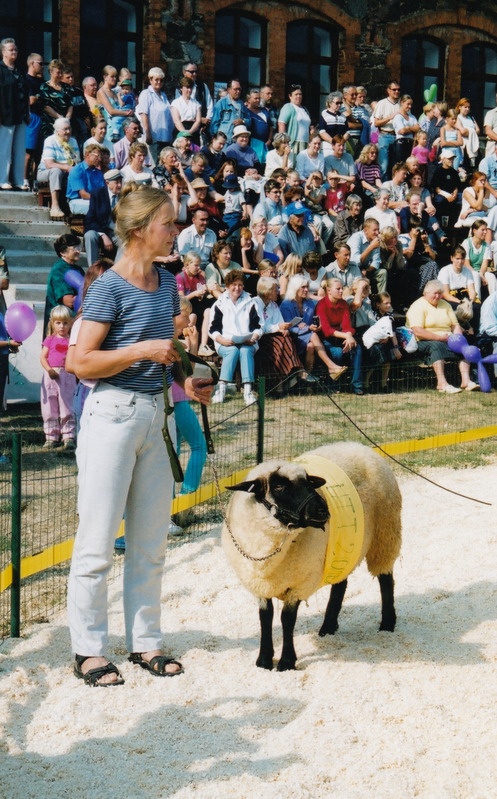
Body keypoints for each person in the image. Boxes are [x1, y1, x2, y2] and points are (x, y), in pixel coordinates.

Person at [67, 183, 212, 686]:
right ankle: (87, 650)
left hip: (156, 416)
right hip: (110, 416)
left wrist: (188, 382)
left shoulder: (168, 281)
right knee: (97, 542)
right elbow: (78, 361)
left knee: (150, 542)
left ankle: (145, 642)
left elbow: (165, 355)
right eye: (168, 223)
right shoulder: (107, 287)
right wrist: (142, 351)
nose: (176, 229)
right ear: (137, 230)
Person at [406, 279, 476, 393]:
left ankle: (466, 381)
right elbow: (418, 331)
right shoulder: (418, 306)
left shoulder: (446, 305)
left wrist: (459, 339)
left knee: (464, 345)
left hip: (447, 338)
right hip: (423, 340)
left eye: (440, 293)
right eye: (435, 293)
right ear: (426, 293)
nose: (438, 296)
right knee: (436, 347)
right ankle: (442, 383)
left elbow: (455, 325)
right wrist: (439, 338)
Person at [209, 269, 262, 405]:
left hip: (248, 342)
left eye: (240, 285)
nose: (237, 288)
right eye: (234, 285)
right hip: (225, 342)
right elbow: (213, 329)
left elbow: (259, 325)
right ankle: (221, 390)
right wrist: (221, 340)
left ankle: (248, 391)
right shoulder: (219, 303)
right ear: (227, 286)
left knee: (244, 351)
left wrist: (254, 337)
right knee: (233, 351)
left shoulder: (251, 302)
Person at [280, 274, 346, 381]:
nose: (306, 290)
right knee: (313, 335)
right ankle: (331, 366)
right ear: (295, 288)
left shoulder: (309, 303)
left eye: (307, 287)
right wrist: (307, 328)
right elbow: (288, 328)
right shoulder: (286, 305)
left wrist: (318, 325)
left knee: (311, 346)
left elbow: (319, 312)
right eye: (303, 287)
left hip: (309, 338)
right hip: (293, 339)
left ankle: (307, 377)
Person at [254, 275, 305, 387]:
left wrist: (284, 329)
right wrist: (279, 327)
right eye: (275, 289)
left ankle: (283, 380)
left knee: (285, 338)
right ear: (266, 291)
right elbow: (261, 327)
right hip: (259, 337)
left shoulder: (274, 305)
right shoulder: (255, 304)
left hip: (273, 335)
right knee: (279, 343)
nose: (278, 291)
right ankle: (296, 372)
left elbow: (279, 322)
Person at [316, 277, 364, 394]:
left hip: (342, 336)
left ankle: (356, 385)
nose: (341, 291)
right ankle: (333, 385)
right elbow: (326, 330)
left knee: (356, 349)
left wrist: (349, 336)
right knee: (337, 353)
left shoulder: (343, 304)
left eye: (342, 288)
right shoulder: (321, 305)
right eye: (338, 289)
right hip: (327, 339)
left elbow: (347, 325)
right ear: (329, 291)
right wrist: (347, 336)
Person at [40, 305, 77, 450]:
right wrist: (49, 370)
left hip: (67, 375)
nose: (62, 326)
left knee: (67, 406)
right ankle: (51, 437)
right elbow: (43, 357)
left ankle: (68, 436)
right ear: (52, 323)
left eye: (65, 323)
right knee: (49, 407)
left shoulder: (72, 341)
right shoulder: (49, 339)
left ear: (71, 323)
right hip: (50, 376)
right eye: (58, 323)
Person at [0, 38, 29, 191]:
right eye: (11, 50)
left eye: (16, 49)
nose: (14, 52)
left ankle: (18, 180)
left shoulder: (19, 71)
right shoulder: (1, 70)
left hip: (21, 116)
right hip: (6, 115)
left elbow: (25, 93)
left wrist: (28, 113)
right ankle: (2, 179)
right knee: (4, 149)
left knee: (19, 149)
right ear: (3, 52)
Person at [37, 117, 80, 219]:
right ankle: (55, 206)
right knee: (56, 171)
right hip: (45, 172)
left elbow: (77, 161)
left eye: (69, 128)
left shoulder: (73, 141)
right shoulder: (50, 140)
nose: (68, 132)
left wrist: (71, 168)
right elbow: (49, 164)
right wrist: (66, 167)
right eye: (65, 129)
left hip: (66, 171)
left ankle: (74, 207)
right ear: (57, 131)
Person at [44, 233, 84, 331]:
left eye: (79, 247)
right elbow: (69, 301)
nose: (78, 251)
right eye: (74, 248)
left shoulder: (78, 269)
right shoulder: (59, 270)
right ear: (63, 252)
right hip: (61, 326)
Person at [83, 167, 122, 266]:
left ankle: (117, 272)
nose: (120, 185)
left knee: (126, 242)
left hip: (117, 232)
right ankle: (93, 269)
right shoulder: (97, 194)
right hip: (100, 231)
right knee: (89, 235)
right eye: (116, 182)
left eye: (120, 182)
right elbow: (89, 220)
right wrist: (103, 235)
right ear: (107, 183)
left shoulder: (124, 195)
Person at [136, 67, 174, 161]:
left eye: (161, 80)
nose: (159, 82)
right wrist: (148, 133)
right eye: (156, 79)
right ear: (150, 80)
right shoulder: (146, 94)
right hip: (154, 138)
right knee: (157, 164)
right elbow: (144, 114)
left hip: (166, 137)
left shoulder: (163, 95)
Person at [175, 62, 213, 144]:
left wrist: (207, 120)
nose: (194, 74)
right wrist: (198, 119)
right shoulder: (179, 89)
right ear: (184, 72)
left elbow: (210, 105)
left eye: (196, 71)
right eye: (191, 72)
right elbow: (180, 110)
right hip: (183, 128)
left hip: (200, 129)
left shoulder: (203, 86)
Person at [96, 65, 134, 143]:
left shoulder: (114, 92)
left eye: (115, 76)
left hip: (120, 126)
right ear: (105, 77)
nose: (114, 79)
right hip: (110, 128)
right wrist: (127, 113)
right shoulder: (101, 92)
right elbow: (111, 111)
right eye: (112, 76)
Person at [38, 58, 73, 141]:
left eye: (61, 72)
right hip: (50, 124)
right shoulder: (44, 87)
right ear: (51, 72)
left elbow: (70, 104)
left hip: (66, 123)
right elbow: (45, 106)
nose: (60, 75)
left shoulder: (66, 87)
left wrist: (67, 118)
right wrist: (60, 118)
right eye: (58, 72)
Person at [66, 142, 105, 214]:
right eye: (97, 156)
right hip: (76, 200)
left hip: (91, 199)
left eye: (100, 157)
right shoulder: (76, 170)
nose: (99, 159)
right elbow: (83, 194)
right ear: (87, 155)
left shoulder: (98, 173)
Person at [462, 219, 497, 300]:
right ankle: (477, 302)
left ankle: (494, 302)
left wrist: (481, 274)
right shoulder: (466, 243)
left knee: (491, 277)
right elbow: (466, 264)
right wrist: (479, 275)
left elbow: (485, 264)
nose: (485, 232)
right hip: (468, 272)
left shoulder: (486, 246)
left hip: (481, 271)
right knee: (475, 275)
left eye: (486, 230)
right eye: (482, 230)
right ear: (474, 230)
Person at [373, 80, 401, 179]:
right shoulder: (382, 103)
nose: (397, 91)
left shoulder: (401, 104)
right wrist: (390, 117)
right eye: (394, 89)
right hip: (385, 135)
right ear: (388, 90)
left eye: (398, 89)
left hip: (398, 137)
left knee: (396, 166)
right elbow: (376, 123)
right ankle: (383, 189)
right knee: (383, 166)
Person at [277, 84, 311, 155]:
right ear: (290, 96)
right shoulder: (288, 107)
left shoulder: (305, 109)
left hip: (305, 143)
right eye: (296, 94)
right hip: (293, 143)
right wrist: (283, 144)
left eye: (300, 94)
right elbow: (281, 124)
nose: (298, 96)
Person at [170, 76, 201, 146]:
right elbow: (176, 121)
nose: (189, 90)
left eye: (191, 88)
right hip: (180, 131)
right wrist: (184, 133)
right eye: (187, 87)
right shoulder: (175, 103)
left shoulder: (196, 104)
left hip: (193, 132)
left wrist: (190, 132)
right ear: (181, 88)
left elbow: (198, 120)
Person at [318, 91, 349, 156]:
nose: (339, 105)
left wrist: (341, 143)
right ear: (330, 103)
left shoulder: (343, 116)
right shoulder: (324, 114)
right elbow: (322, 132)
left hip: (341, 148)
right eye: (337, 103)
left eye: (341, 103)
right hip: (327, 147)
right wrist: (333, 143)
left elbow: (347, 132)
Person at [392, 94, 419, 163]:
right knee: (401, 165)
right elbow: (402, 131)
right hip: (401, 143)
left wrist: (408, 127)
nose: (410, 106)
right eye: (408, 104)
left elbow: (418, 129)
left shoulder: (412, 116)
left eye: (411, 104)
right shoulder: (398, 117)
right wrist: (412, 129)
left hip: (411, 143)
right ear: (402, 103)